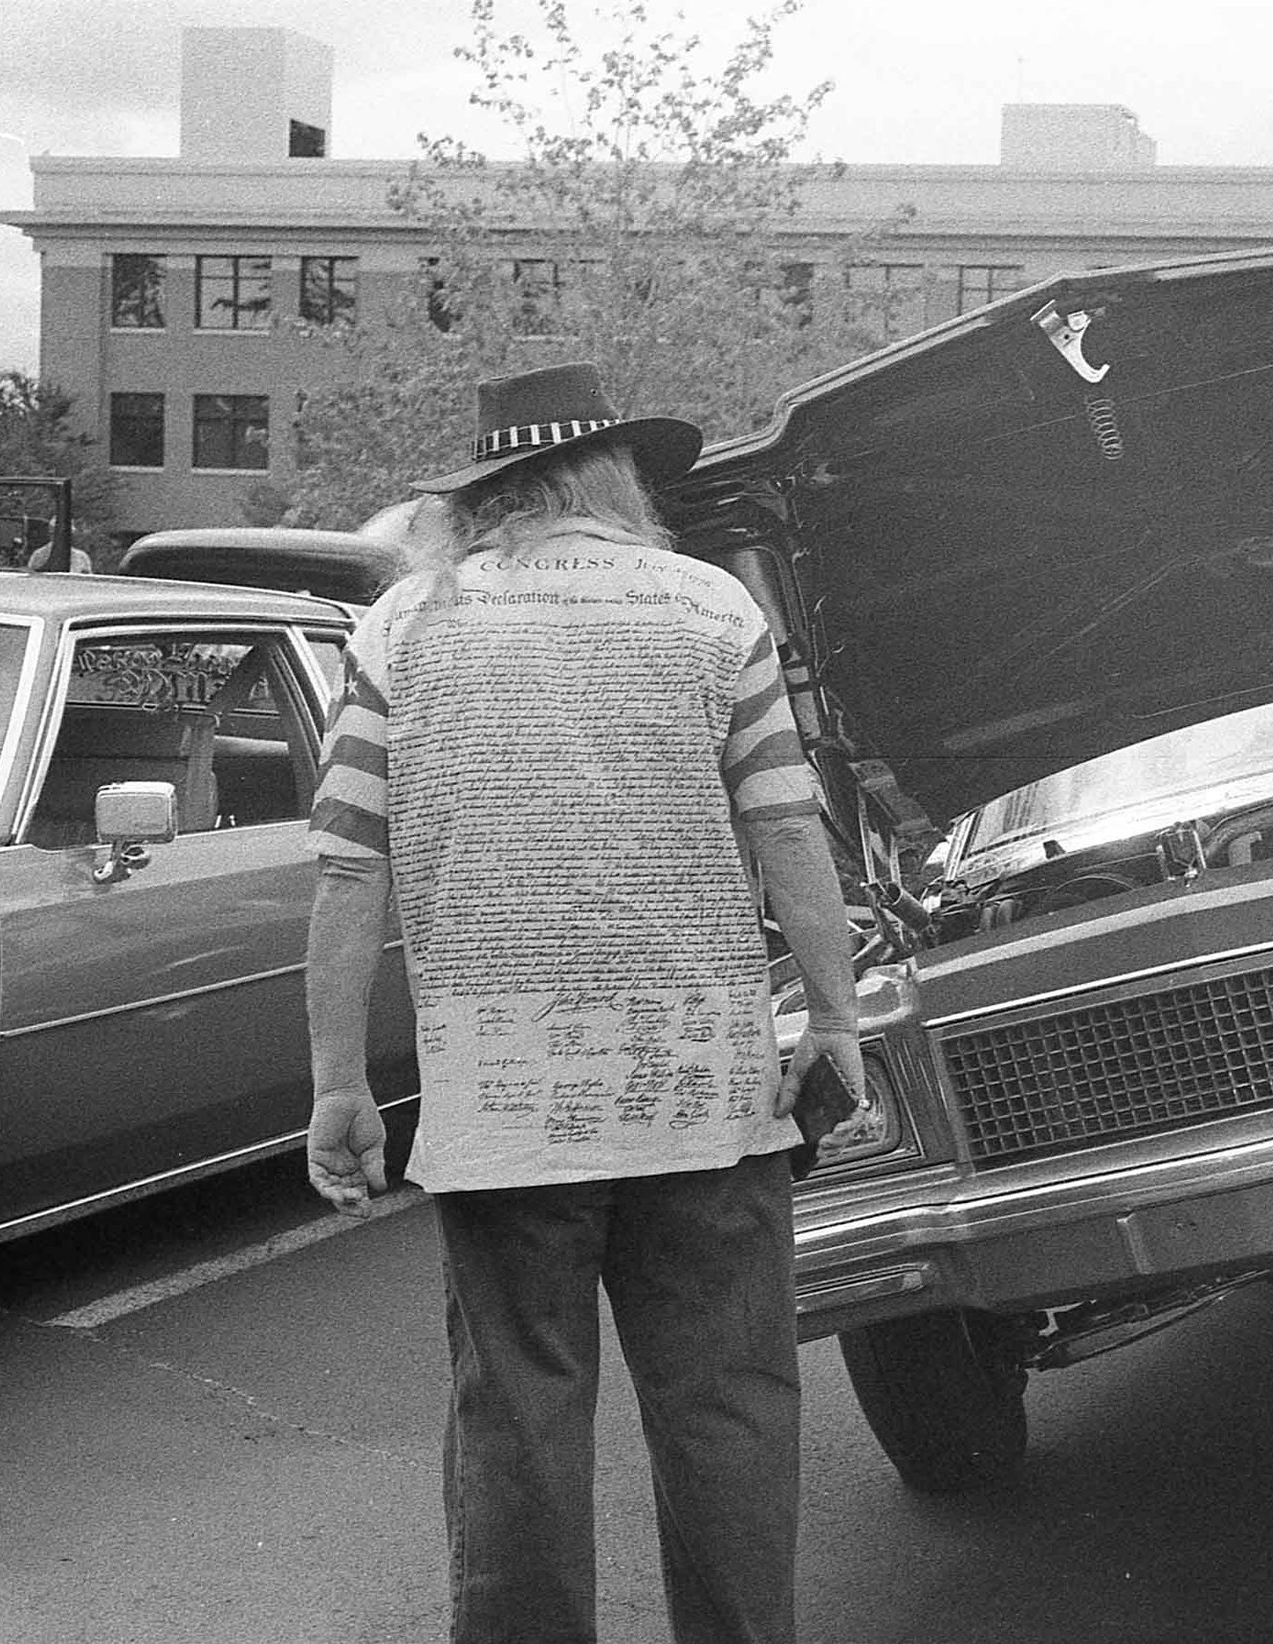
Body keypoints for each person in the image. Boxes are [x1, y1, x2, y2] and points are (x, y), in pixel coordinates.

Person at [301, 361, 864, 1644]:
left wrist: (339, 1081)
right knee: (727, 1408)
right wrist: (831, 1022)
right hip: (707, 1096)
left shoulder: (406, 627)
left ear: (486, 495)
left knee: (518, 1421)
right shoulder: (711, 610)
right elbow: (788, 833)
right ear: (618, 475)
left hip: (501, 1109)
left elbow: (346, 869)